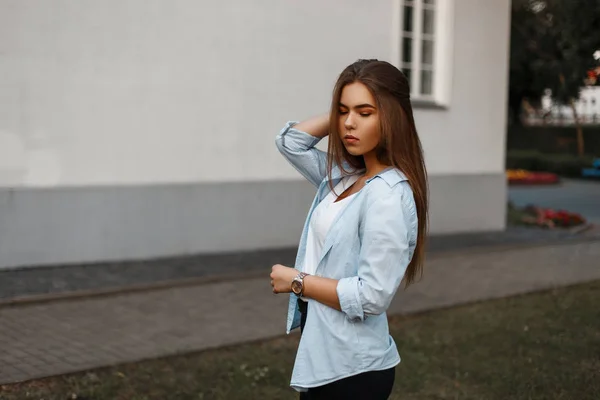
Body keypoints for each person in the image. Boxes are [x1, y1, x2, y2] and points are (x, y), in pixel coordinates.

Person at [270, 59, 429, 399]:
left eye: (365, 112)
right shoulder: (348, 176)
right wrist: (342, 114)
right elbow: (290, 142)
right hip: (326, 354)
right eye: (343, 112)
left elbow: (372, 296)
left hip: (353, 371)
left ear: (392, 116)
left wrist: (298, 282)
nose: (349, 124)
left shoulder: (386, 195)